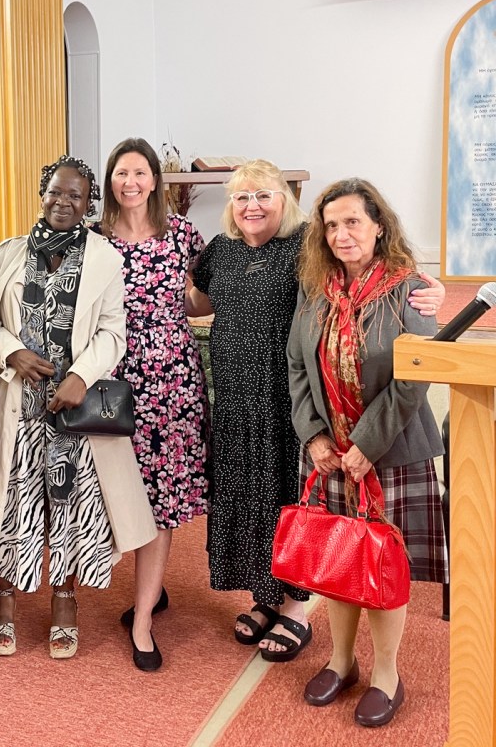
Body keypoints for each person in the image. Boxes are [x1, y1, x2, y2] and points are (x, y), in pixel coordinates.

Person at [190, 160, 445, 662]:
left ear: (285, 201)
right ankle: (267, 598)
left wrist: (429, 286)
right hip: (244, 403)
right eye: (242, 197)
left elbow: (409, 358)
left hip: (294, 409)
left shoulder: (306, 249)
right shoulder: (233, 253)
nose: (252, 206)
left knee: (299, 507)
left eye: (264, 195)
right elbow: (197, 300)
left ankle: (298, 608)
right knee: (254, 502)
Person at [0, 156, 158, 663]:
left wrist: (81, 376)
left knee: (69, 505)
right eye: (56, 192)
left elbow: (114, 331)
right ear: (42, 193)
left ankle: (64, 599)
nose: (63, 202)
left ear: (88, 203)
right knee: (14, 504)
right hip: (19, 406)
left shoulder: (104, 259)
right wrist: (12, 350)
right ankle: (4, 598)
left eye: (75, 195)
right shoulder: (8, 253)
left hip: (72, 414)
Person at [287, 178, 446, 727]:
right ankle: (340, 661)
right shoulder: (316, 288)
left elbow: (415, 375)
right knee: (340, 562)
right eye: (331, 225)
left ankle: (387, 675)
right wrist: (314, 435)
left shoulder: (411, 288)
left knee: (382, 568)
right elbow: (297, 365)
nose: (341, 234)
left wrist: (367, 445)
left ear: (379, 226)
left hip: (390, 454)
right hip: (331, 454)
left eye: (352, 221)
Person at [100, 138, 210, 671]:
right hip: (113, 380)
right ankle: (150, 586)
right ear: (110, 181)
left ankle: (143, 617)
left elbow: (202, 298)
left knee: (162, 498)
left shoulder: (183, 233)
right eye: (122, 173)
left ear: (154, 180)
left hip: (172, 382)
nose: (131, 182)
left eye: (140, 172)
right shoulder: (93, 238)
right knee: (117, 493)